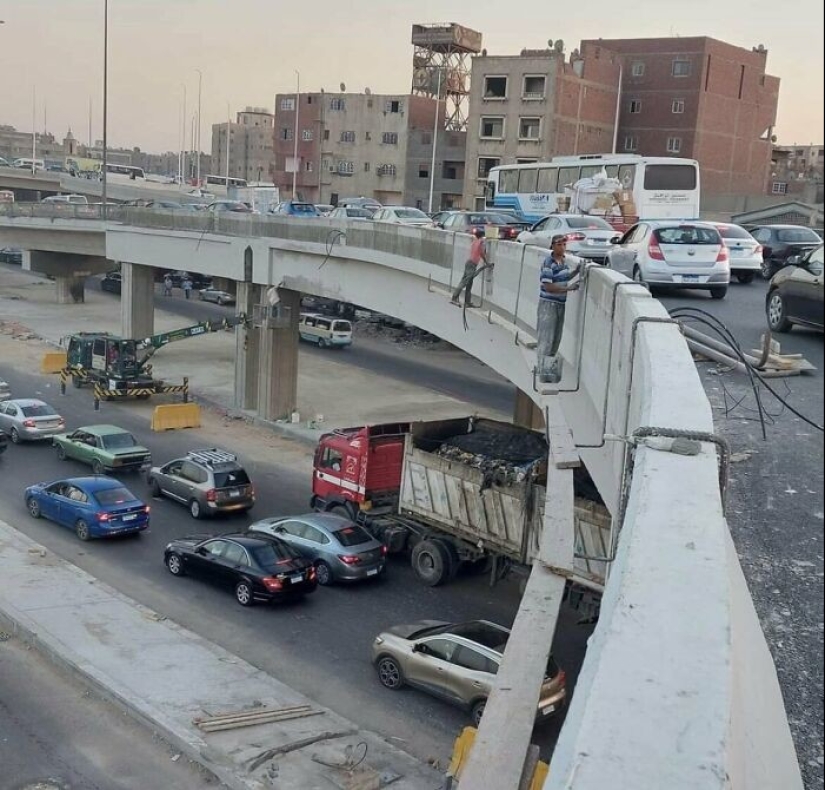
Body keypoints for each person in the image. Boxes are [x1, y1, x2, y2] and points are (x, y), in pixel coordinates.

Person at [537, 235, 584, 383]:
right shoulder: (548, 263)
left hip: (560, 304)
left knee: (556, 338)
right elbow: (548, 286)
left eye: (564, 244)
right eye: (559, 244)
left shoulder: (563, 262)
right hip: (548, 305)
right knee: (547, 338)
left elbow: (562, 279)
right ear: (552, 246)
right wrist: (568, 289)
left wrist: (576, 272)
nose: (562, 247)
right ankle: (542, 372)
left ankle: (550, 371)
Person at [451, 227, 488, 307]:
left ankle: (467, 302)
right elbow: (482, 253)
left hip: (469, 263)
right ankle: (454, 298)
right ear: (482, 236)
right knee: (464, 282)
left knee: (469, 283)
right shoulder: (481, 242)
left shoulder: (475, 241)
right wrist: (486, 262)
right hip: (472, 264)